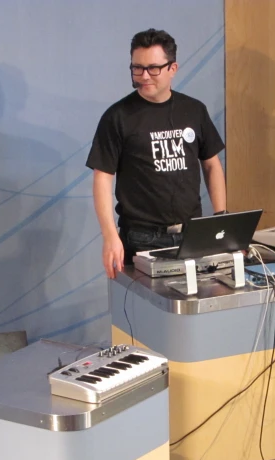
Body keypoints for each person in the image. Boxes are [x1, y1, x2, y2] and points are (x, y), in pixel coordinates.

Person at [86, 28, 228, 279]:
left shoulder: (194, 110)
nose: (143, 76)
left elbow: (212, 166)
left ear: (173, 68)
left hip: (193, 234)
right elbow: (102, 177)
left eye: (153, 68)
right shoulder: (117, 117)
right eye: (137, 68)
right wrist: (109, 236)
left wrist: (221, 219)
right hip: (141, 239)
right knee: (146, 315)